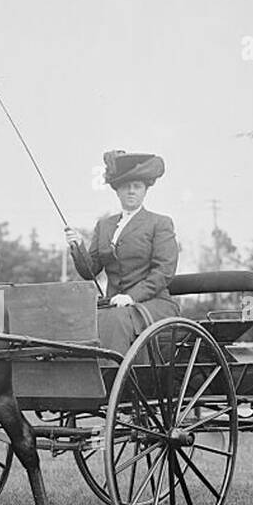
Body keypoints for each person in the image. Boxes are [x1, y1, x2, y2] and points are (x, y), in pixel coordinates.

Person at [64, 150, 180, 354]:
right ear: (117, 191)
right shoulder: (104, 225)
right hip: (114, 305)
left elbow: (163, 272)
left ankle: (111, 372)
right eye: (126, 187)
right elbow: (90, 271)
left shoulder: (159, 223)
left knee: (114, 320)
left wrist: (131, 297)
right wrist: (78, 246)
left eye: (137, 186)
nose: (131, 191)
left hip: (153, 305)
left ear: (145, 190)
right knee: (79, 318)